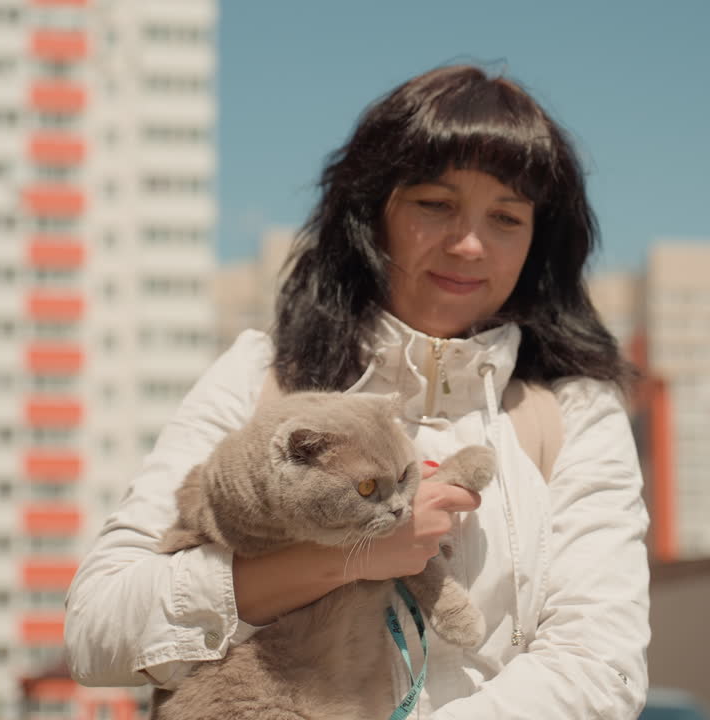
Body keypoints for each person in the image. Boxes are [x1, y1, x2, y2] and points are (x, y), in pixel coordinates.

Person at [65, 64, 651, 718]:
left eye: (507, 217)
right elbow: (97, 631)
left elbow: (600, 668)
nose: (469, 243)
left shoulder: (576, 413)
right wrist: (346, 557)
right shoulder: (261, 373)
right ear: (372, 212)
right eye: (436, 204)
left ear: (540, 243)